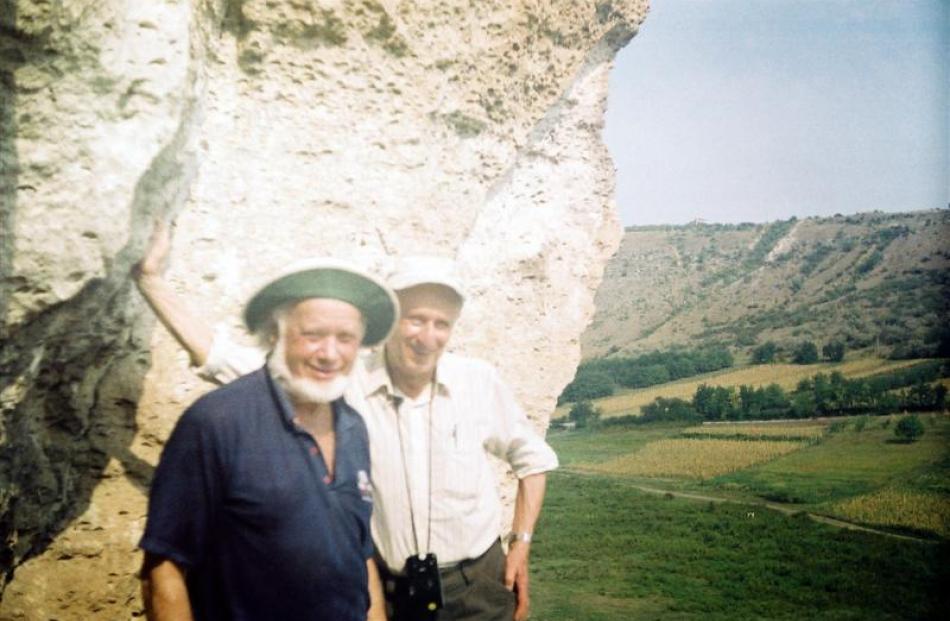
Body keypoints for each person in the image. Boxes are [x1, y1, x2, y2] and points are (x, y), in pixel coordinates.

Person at [134, 222, 558, 621]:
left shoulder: (477, 382)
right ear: (391, 324)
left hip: (475, 587)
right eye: (415, 319)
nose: (427, 337)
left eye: (441, 324)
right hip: (392, 592)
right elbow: (219, 357)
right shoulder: (340, 379)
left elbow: (532, 458)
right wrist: (152, 281)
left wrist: (521, 543)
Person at [138, 258, 397, 621]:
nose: (330, 353)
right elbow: (164, 567)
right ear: (275, 334)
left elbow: (358, 552)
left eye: (345, 338)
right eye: (313, 335)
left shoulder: (353, 427)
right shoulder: (217, 422)